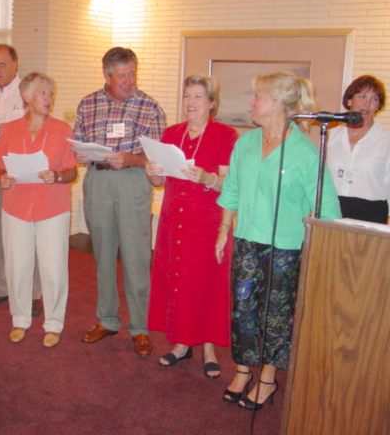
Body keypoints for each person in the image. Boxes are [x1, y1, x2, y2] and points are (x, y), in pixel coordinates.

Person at [215, 71, 341, 410]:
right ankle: (243, 371)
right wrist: (224, 229)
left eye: (258, 97)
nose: (252, 103)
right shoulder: (246, 143)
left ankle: (268, 379)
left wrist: (320, 248)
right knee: (242, 311)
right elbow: (232, 189)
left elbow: (327, 208)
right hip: (246, 240)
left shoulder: (305, 153)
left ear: (278, 104)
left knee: (275, 316)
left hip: (285, 248)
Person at [74, 47, 166, 357]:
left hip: (133, 182)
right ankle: (107, 319)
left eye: (132, 74)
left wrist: (130, 159)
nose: (129, 81)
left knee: (136, 256)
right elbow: (77, 144)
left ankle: (140, 327)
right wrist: (81, 154)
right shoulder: (87, 104)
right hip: (98, 181)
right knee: (102, 254)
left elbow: (156, 157)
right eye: (122, 76)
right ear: (107, 75)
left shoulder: (150, 107)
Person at [146, 75, 237, 377]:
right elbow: (158, 181)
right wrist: (152, 172)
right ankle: (182, 343)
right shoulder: (172, 133)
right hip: (174, 220)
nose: (191, 102)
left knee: (207, 284)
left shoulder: (225, 135)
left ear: (212, 103)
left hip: (208, 223)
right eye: (187, 96)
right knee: (179, 282)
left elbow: (229, 185)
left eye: (198, 96)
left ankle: (209, 347)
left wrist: (207, 178)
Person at [0, 72, 77, 347]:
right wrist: (2, 178)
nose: (48, 98)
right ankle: (20, 319)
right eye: (43, 93)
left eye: (50, 93)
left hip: (52, 208)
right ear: (26, 97)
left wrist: (57, 175)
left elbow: (72, 171)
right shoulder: (9, 130)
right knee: (17, 266)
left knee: (53, 269)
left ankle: (53, 323)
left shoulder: (63, 130)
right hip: (16, 207)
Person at [0, 44, 43, 314]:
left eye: (1, 65)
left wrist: (13, 132)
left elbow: (39, 130)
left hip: (20, 166)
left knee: (25, 231)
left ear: (15, 64)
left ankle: (34, 292)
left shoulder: (29, 93)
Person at [327, 75, 390, 224]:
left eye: (374, 99)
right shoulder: (331, 135)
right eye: (362, 96)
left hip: (370, 213)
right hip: (332, 209)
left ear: (378, 106)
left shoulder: (386, 139)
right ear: (350, 100)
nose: (367, 104)